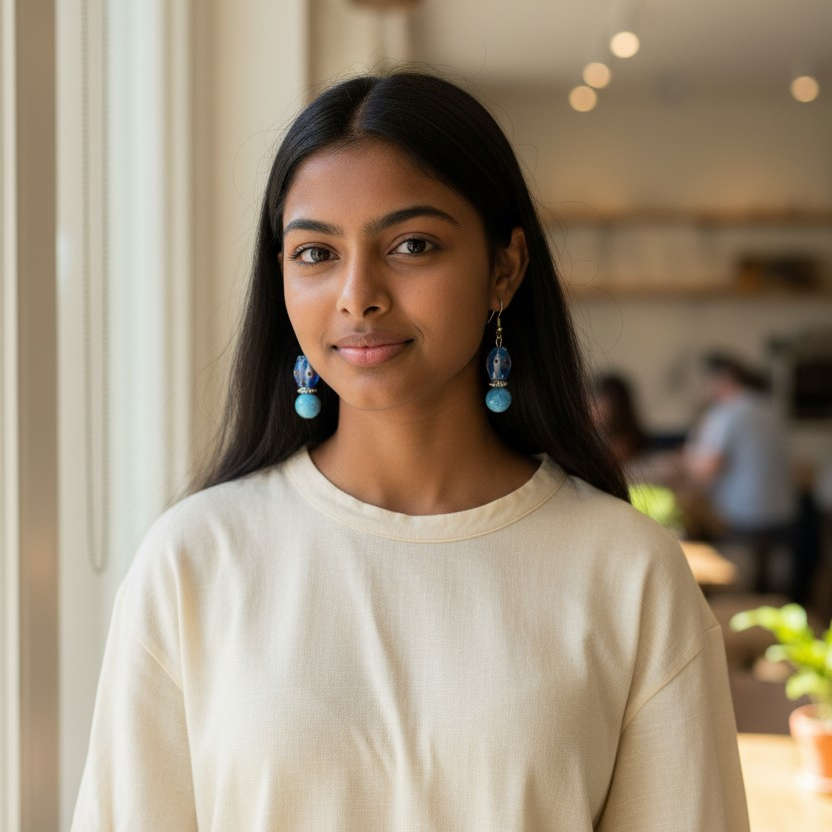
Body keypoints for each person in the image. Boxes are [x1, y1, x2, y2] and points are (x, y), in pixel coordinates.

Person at [71, 71, 748, 831]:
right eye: (316, 254)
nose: (358, 295)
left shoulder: (627, 573)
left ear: (505, 268)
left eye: (411, 245)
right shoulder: (195, 560)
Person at [685, 352, 796, 593]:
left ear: (722, 379)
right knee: (770, 583)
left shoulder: (727, 412)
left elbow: (708, 468)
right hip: (781, 512)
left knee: (737, 584)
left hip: (742, 514)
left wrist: (685, 464)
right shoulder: (771, 408)